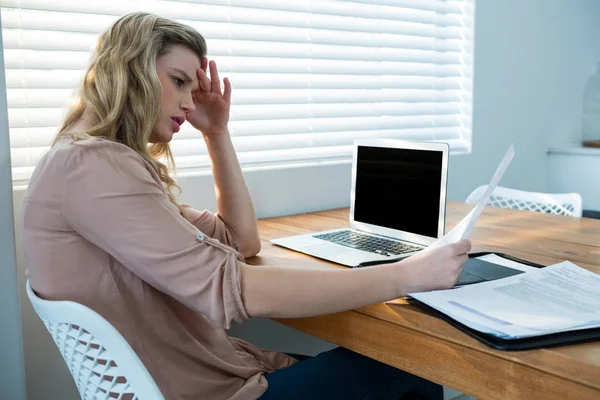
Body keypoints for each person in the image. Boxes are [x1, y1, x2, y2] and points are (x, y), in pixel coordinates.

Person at [21, 12, 471, 400]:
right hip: (203, 392)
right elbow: (235, 289)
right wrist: (407, 274)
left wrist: (216, 133)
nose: (186, 102)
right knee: (419, 366)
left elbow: (240, 240)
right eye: (178, 81)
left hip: (211, 377)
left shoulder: (93, 163)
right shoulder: (93, 166)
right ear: (129, 68)